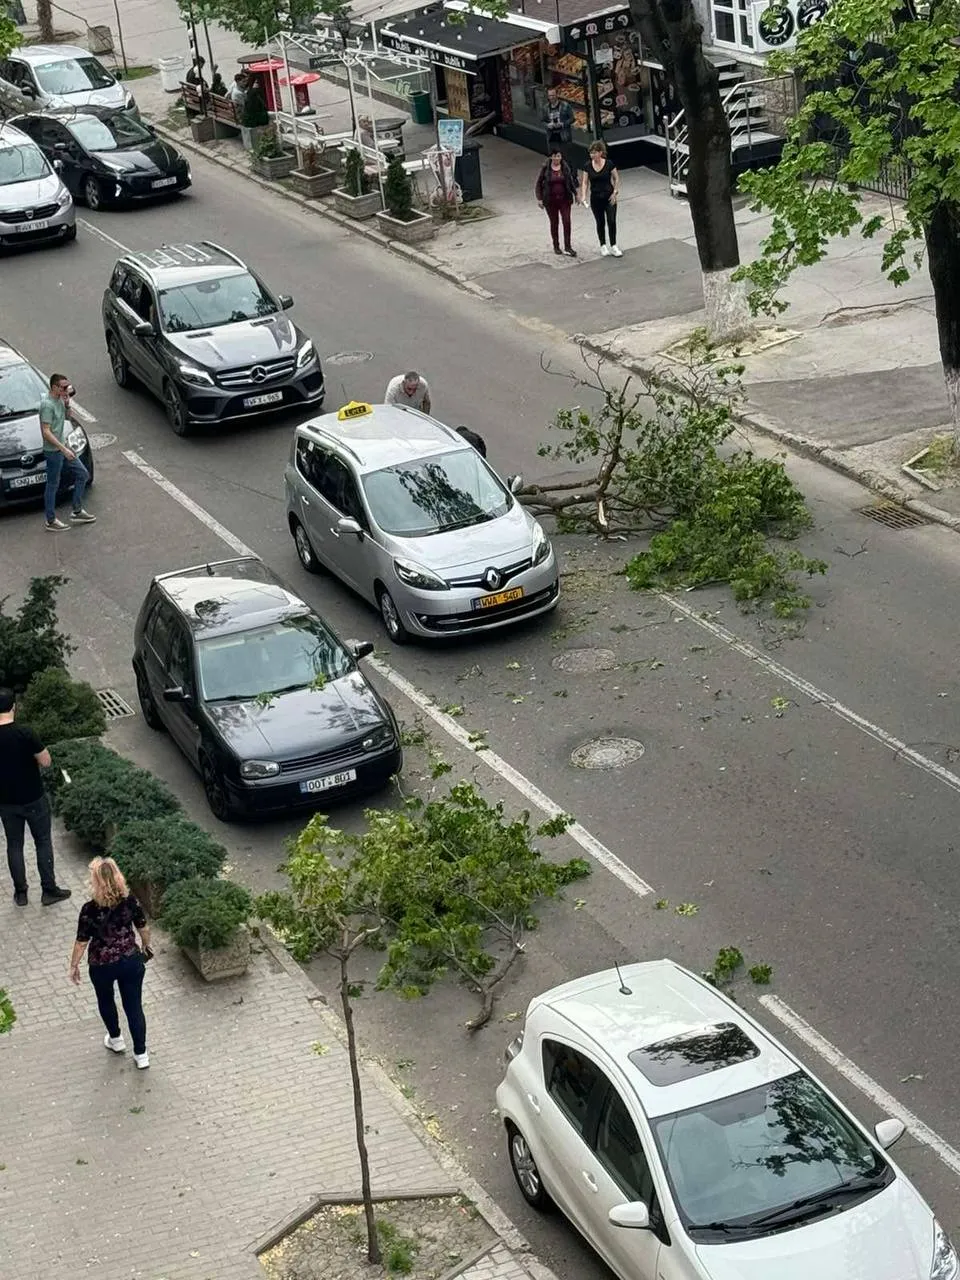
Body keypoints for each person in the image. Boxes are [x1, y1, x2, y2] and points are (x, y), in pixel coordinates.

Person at [70, 857, 152, 1069]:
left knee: (105, 1000)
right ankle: (141, 1053)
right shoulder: (130, 901)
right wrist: (145, 945)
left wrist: (74, 965)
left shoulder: (89, 909)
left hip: (101, 964)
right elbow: (143, 927)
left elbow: (81, 942)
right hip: (129, 961)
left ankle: (116, 1039)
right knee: (134, 1006)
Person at [0, 687, 71, 907]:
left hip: (6, 802)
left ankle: (21, 893)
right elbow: (46, 761)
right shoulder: (25, 733)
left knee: (14, 844)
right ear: (14, 707)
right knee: (42, 841)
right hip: (33, 798)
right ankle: (48, 890)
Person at [40, 372, 95, 531]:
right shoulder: (47, 405)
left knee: (83, 474)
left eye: (67, 387)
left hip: (62, 447)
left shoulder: (59, 401)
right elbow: (46, 432)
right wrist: (63, 449)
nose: (67, 390)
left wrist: (67, 404)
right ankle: (50, 520)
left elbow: (66, 418)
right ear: (54, 387)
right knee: (52, 485)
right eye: (64, 387)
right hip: (54, 452)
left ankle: (77, 510)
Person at [580, 140, 622, 257]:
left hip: (609, 196)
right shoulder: (587, 166)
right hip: (596, 197)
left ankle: (614, 245)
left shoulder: (609, 164)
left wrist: (615, 192)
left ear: (600, 153)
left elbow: (616, 178)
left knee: (612, 220)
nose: (592, 155)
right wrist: (584, 195)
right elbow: (585, 182)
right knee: (600, 222)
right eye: (590, 153)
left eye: (594, 153)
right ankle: (603, 245)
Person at [535, 147, 577, 258]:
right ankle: (556, 245)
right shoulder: (546, 169)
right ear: (551, 157)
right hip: (550, 201)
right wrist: (539, 198)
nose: (556, 158)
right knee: (554, 223)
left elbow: (570, 181)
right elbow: (538, 183)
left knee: (567, 221)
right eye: (554, 156)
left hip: (564, 200)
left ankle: (568, 246)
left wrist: (576, 194)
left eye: (558, 156)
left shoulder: (565, 167)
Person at [540, 87, 573, 163]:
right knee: (554, 158)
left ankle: (569, 173)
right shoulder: (545, 108)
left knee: (566, 158)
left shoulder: (565, 106)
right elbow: (542, 121)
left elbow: (572, 118)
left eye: (553, 95)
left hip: (564, 136)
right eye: (550, 95)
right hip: (552, 137)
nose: (552, 97)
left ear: (557, 95)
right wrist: (548, 125)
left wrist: (563, 124)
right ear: (548, 97)